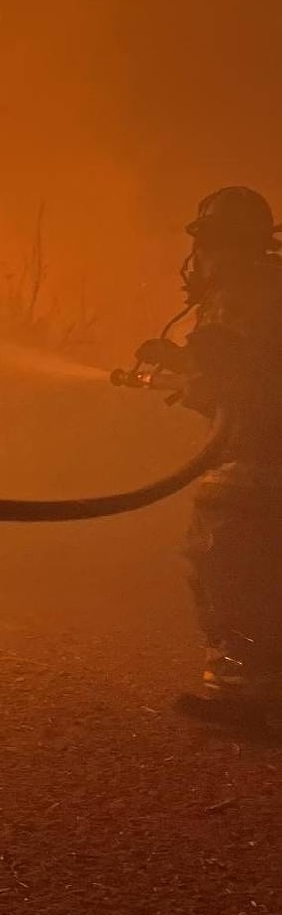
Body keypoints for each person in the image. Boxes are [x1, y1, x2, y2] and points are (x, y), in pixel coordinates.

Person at [134, 187, 282, 725]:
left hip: (256, 465)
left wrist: (180, 358)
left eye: (206, 245)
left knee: (223, 561)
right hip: (265, 454)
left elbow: (228, 365)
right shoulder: (267, 286)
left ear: (220, 245)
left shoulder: (240, 291)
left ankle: (245, 695)